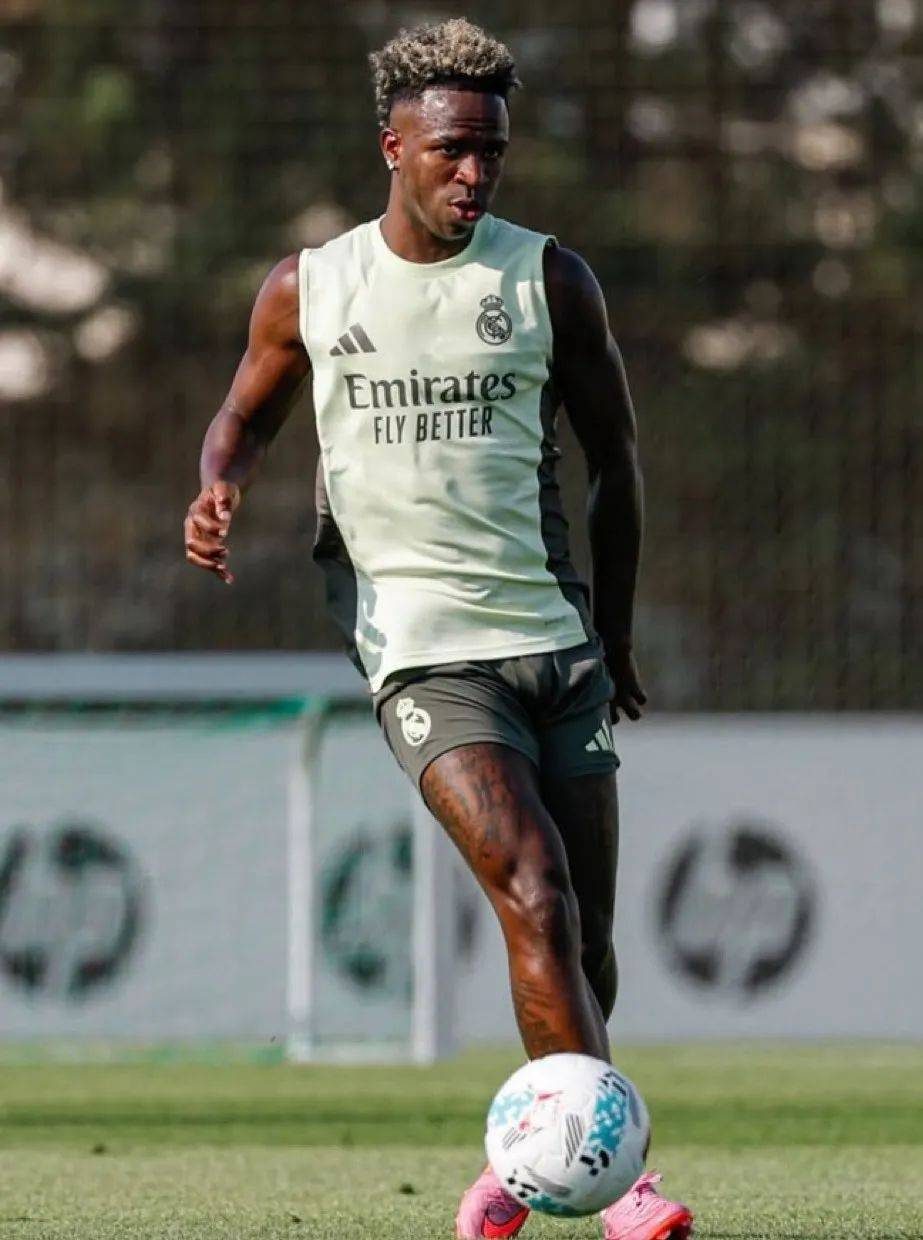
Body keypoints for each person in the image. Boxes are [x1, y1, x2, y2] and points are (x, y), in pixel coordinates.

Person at [184, 18, 693, 1240]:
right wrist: (217, 484)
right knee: (531, 887)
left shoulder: (549, 281)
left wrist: (614, 637)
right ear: (393, 148)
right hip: (420, 651)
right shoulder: (313, 285)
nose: (474, 175)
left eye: (491, 154)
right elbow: (243, 415)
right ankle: (621, 1190)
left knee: (584, 939)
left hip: (552, 641)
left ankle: (519, 1168)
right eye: (452, 151)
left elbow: (616, 466)